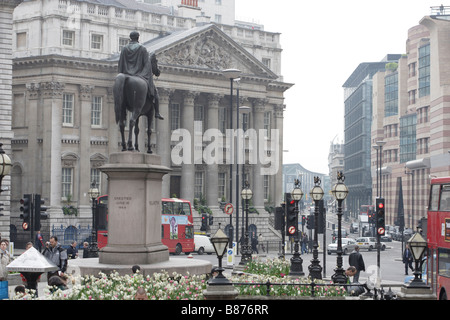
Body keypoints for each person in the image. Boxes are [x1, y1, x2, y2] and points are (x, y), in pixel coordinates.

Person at [118, 31, 163, 120]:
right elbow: (147, 66)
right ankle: (157, 113)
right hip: (140, 75)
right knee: (155, 92)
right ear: (138, 38)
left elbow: (121, 64)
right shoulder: (142, 48)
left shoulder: (124, 49)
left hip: (125, 75)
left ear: (130, 38)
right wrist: (144, 77)